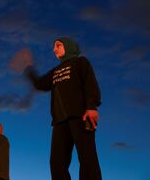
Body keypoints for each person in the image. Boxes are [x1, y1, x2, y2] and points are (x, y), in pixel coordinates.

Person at [10, 37, 102, 180]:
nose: (54, 49)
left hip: (81, 115)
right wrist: (28, 67)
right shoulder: (55, 71)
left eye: (58, 45)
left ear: (68, 46)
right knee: (57, 162)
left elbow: (90, 83)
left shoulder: (80, 62)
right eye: (54, 47)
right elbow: (40, 84)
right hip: (59, 121)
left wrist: (91, 106)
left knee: (87, 158)